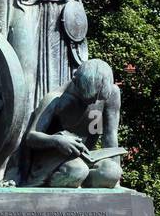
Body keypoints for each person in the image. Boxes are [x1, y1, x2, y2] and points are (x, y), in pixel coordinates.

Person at [23, 58, 123, 189]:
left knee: (111, 173)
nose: (93, 102)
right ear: (76, 82)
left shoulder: (111, 93)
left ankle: (82, 186)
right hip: (55, 160)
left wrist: (116, 182)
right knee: (77, 171)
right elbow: (31, 137)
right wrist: (57, 141)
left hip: (88, 158)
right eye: (88, 98)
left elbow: (110, 136)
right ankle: (64, 186)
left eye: (97, 98)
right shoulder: (55, 99)